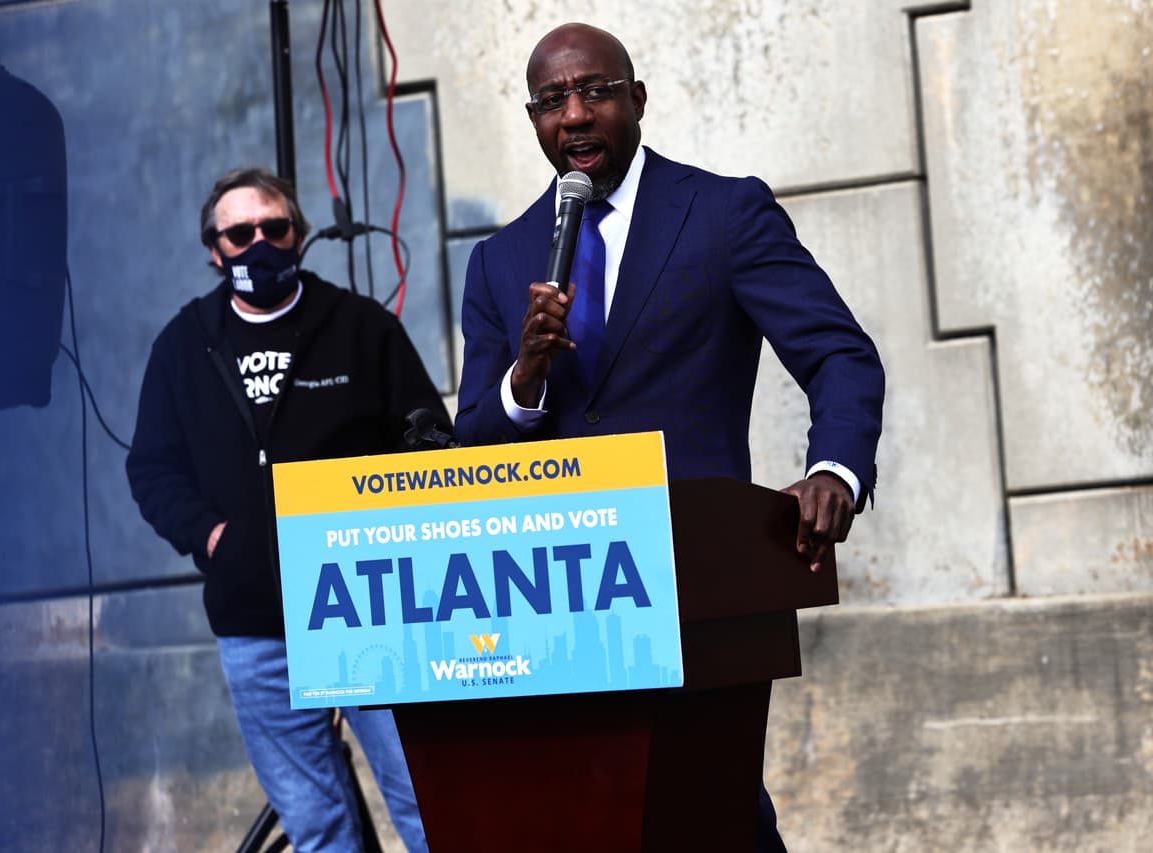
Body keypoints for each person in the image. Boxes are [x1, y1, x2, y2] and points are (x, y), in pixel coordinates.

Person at [455, 23, 886, 852]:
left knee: (710, 813)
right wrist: (526, 375)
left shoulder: (723, 214)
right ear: (534, 119)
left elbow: (839, 354)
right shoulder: (502, 261)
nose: (575, 114)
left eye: (596, 91)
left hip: (697, 585)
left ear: (637, 100)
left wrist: (832, 466)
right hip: (558, 598)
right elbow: (473, 438)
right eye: (553, 101)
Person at [126, 166, 445, 852]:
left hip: (369, 610)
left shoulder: (361, 326)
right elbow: (152, 468)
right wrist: (213, 539)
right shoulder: (183, 345)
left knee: (428, 806)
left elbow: (426, 436)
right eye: (240, 234)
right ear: (214, 250)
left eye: (275, 228)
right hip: (256, 625)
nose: (260, 244)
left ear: (298, 236)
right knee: (317, 824)